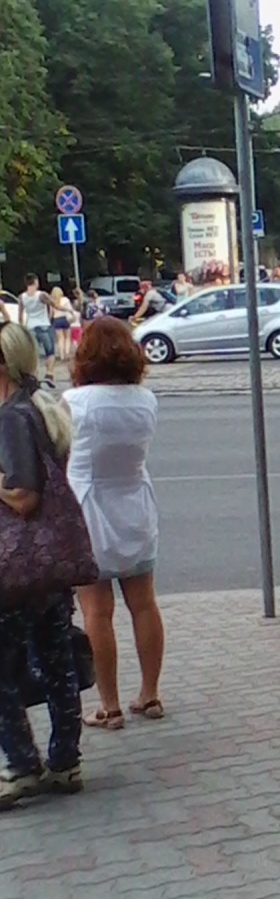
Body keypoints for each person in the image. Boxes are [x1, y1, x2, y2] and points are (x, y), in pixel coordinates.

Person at [63, 317, 165, 730]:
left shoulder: (75, 402)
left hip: (88, 507)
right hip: (135, 502)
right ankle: (150, 693)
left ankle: (110, 705)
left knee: (97, 611)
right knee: (144, 604)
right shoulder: (145, 400)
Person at [0, 322, 83, 809]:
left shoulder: (11, 416)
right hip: (48, 562)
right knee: (56, 661)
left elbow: (24, 496)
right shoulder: (41, 404)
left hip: (16, 566)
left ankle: (23, 765)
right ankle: (65, 761)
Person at [19, 274, 56, 384]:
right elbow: (54, 304)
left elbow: (20, 315)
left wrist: (22, 328)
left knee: (34, 354)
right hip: (43, 325)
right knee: (50, 352)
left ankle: (34, 376)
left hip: (30, 326)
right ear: (35, 282)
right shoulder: (41, 295)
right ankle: (49, 374)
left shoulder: (22, 297)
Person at [50, 286, 77, 363]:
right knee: (67, 338)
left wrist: (50, 320)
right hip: (65, 319)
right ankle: (67, 353)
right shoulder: (65, 300)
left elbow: (51, 314)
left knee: (60, 339)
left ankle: (61, 356)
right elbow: (70, 310)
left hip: (56, 320)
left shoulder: (52, 301)